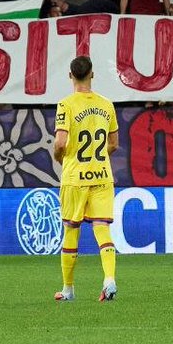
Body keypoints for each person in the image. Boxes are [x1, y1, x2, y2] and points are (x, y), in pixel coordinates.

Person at [53, 56, 120, 302]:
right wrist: (97, 157)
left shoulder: (66, 105)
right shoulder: (107, 104)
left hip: (75, 177)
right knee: (102, 229)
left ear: (70, 75)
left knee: (71, 230)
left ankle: (68, 290)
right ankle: (109, 279)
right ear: (92, 74)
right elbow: (114, 143)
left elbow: (61, 142)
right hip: (102, 176)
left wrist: (59, 157)